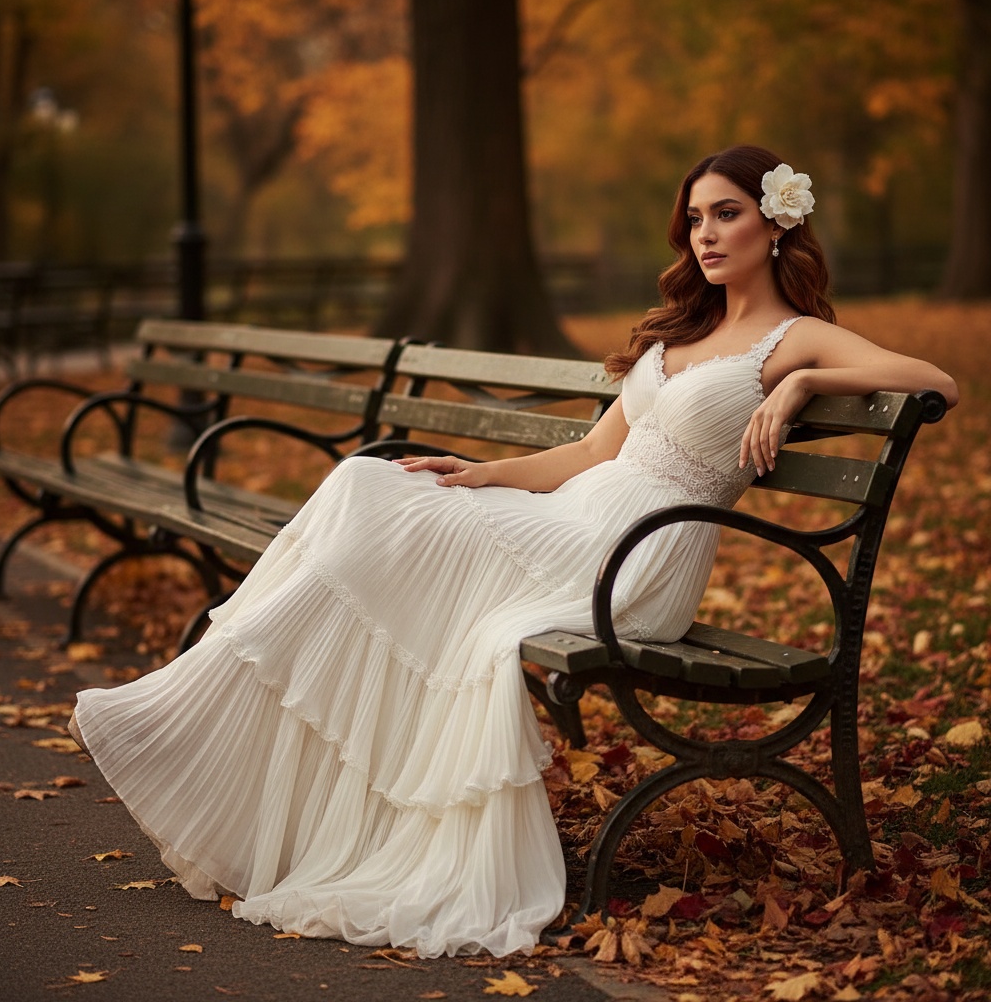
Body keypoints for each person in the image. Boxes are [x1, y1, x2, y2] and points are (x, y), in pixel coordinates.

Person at [69, 145, 957, 959]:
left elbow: (935, 379)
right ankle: (213, 722)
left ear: (775, 222)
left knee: (372, 502)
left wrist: (802, 380)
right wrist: (482, 471)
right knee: (369, 485)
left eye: (726, 213)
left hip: (634, 558)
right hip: (578, 517)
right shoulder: (676, 336)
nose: (707, 234)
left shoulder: (789, 337)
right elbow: (589, 454)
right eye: (695, 218)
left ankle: (197, 714)